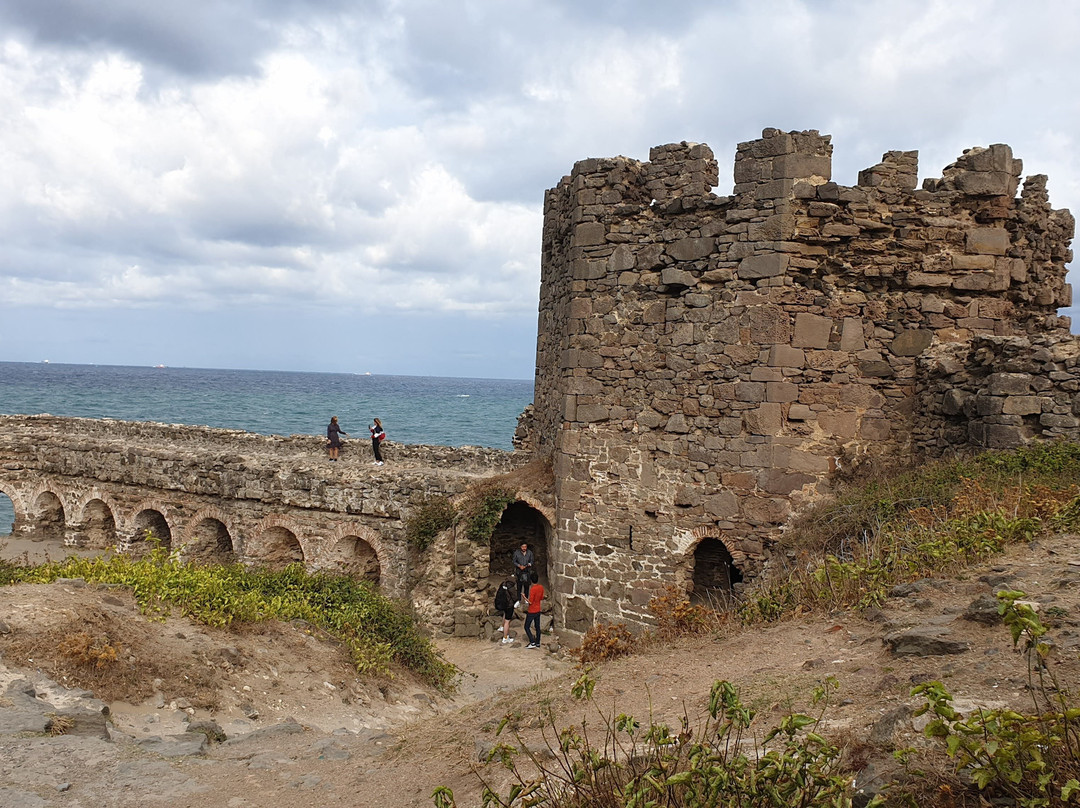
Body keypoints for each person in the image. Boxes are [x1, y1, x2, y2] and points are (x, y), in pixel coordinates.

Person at [524, 570, 545, 649]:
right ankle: (538, 642)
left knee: (526, 626)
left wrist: (524, 597)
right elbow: (541, 597)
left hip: (532, 610)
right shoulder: (541, 587)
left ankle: (532, 641)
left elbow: (530, 602)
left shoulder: (533, 589)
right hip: (538, 609)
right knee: (537, 627)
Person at [494, 578, 516, 644]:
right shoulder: (511, 587)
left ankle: (502, 627)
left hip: (503, 604)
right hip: (509, 606)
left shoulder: (503, 584)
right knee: (507, 622)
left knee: (505, 614)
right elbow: (515, 597)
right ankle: (505, 638)